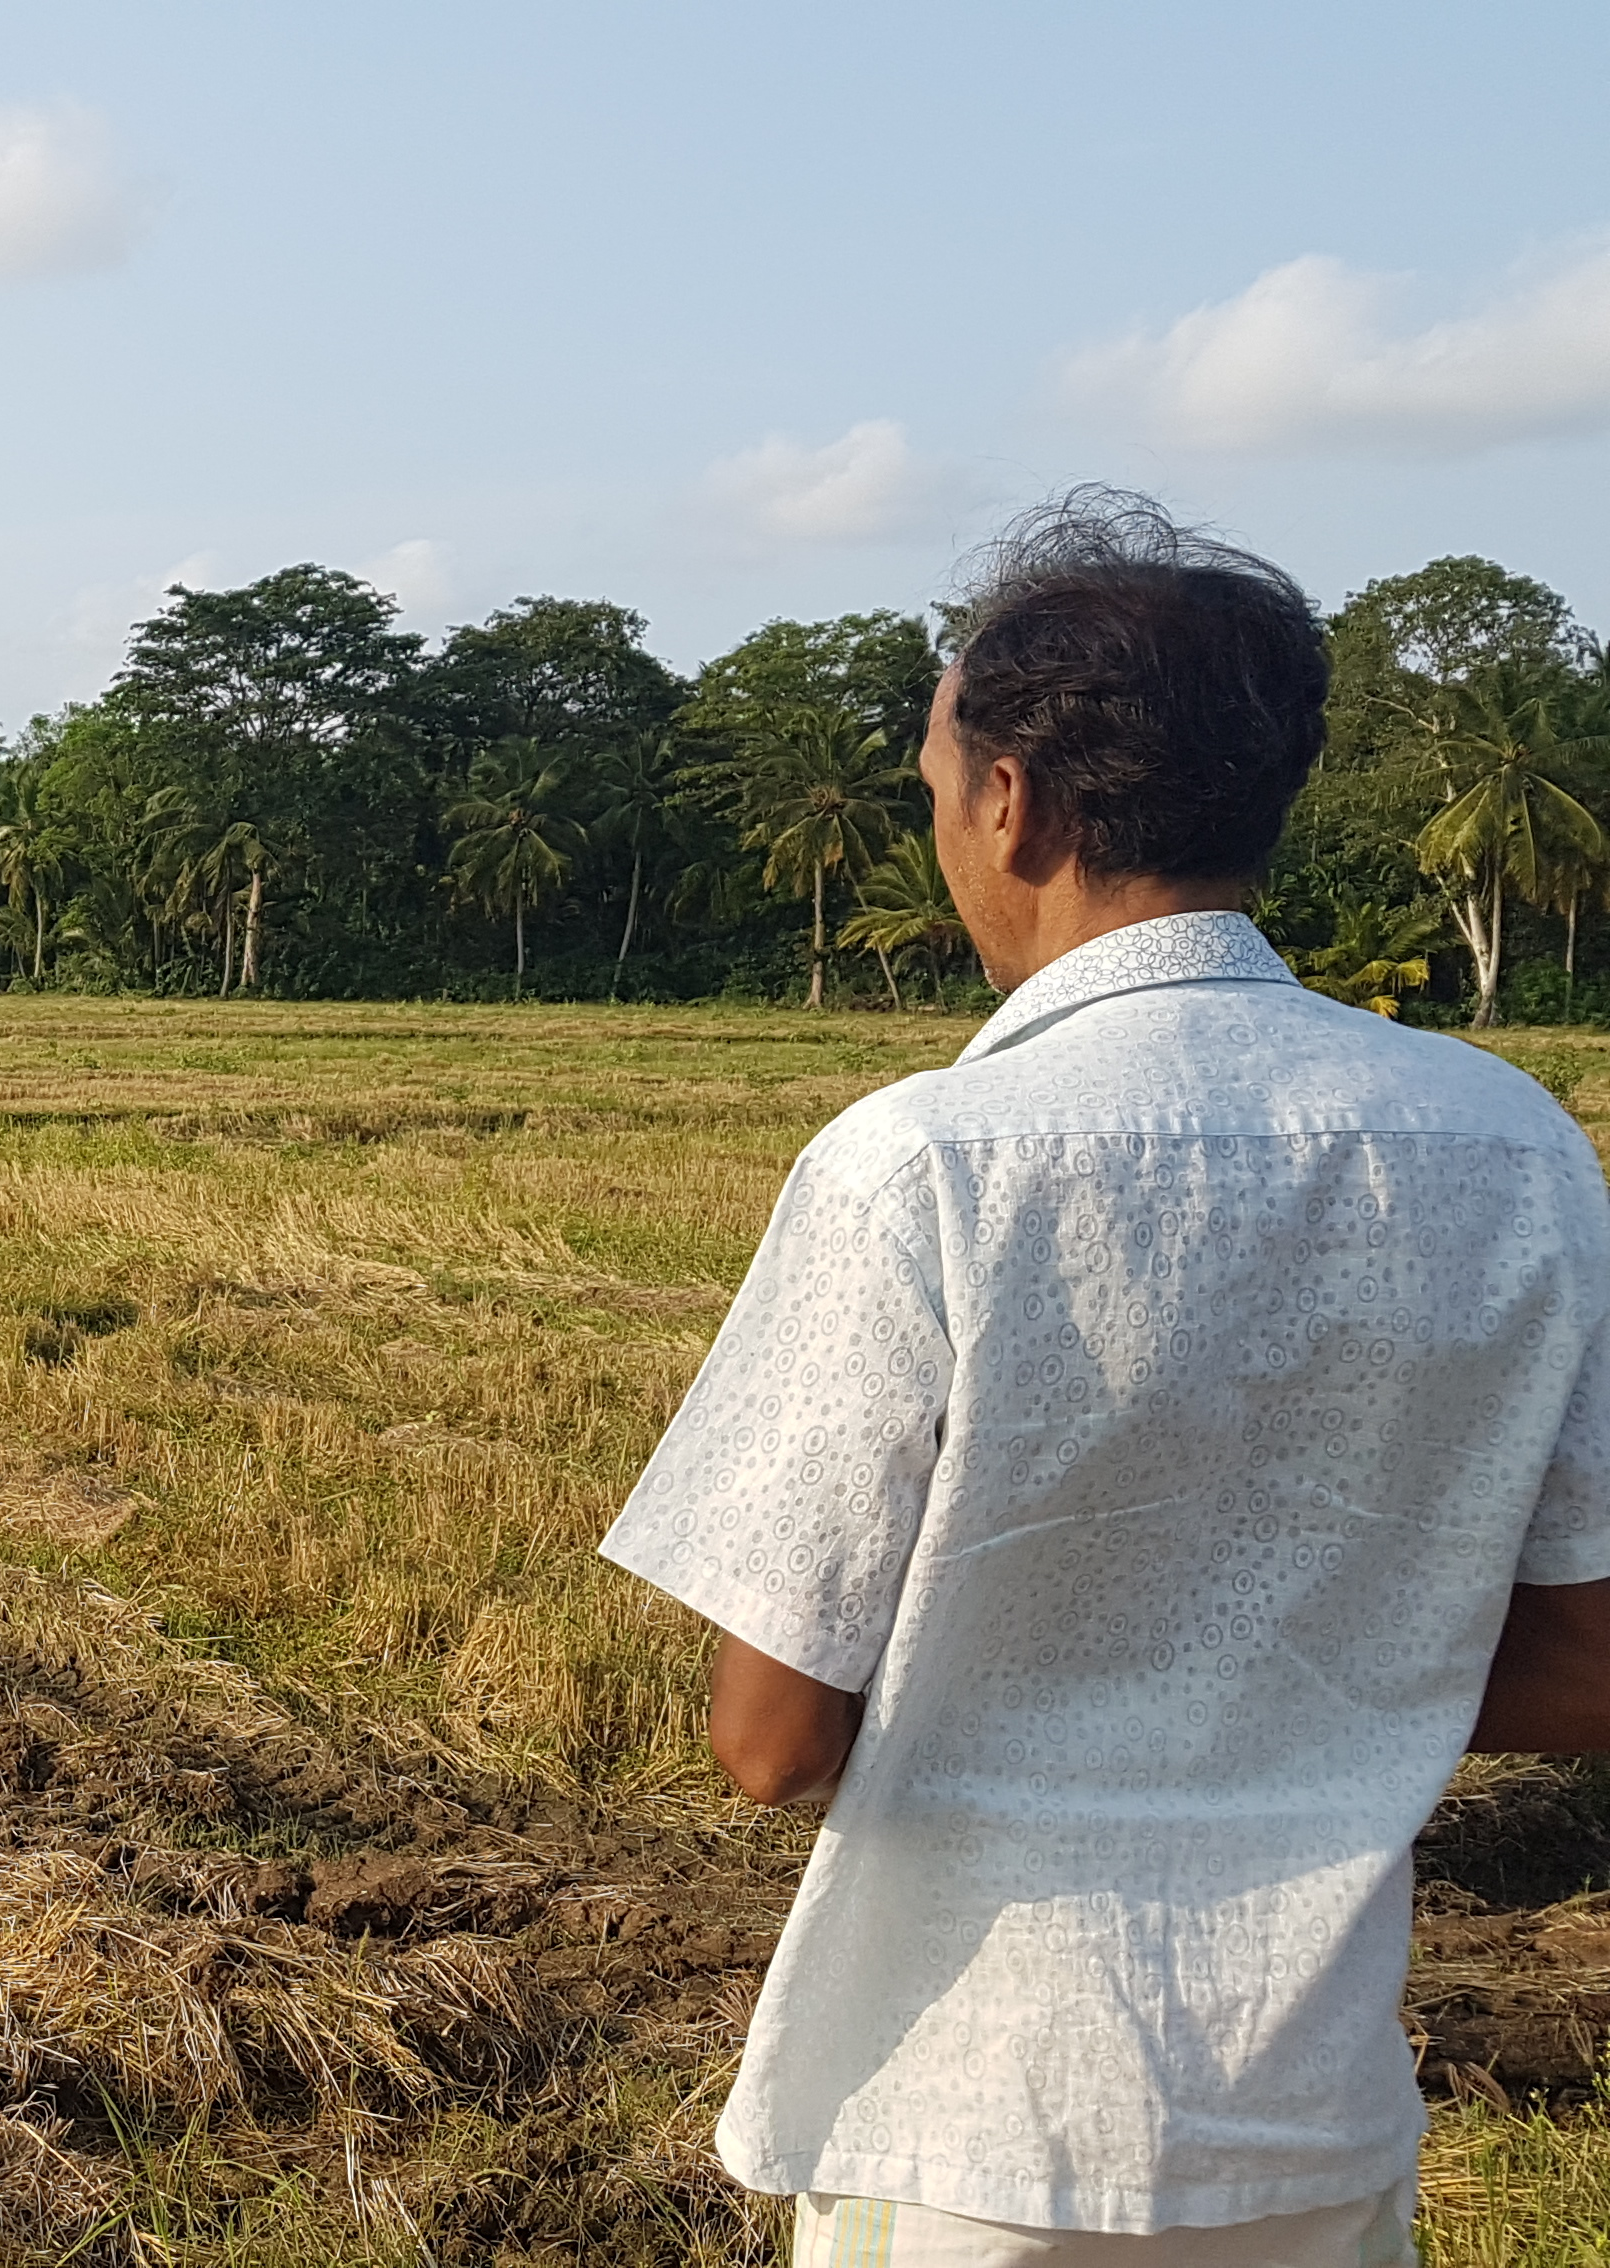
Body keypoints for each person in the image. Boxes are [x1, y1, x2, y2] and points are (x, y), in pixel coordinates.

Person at [601, 488, 1610, 2266]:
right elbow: (1583, 1659)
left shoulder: (921, 1162)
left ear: (1014, 800)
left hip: (978, 2118)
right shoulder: (1512, 1146)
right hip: (1321, 2124)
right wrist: (1312, 1700)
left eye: (931, 794)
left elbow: (770, 1742)